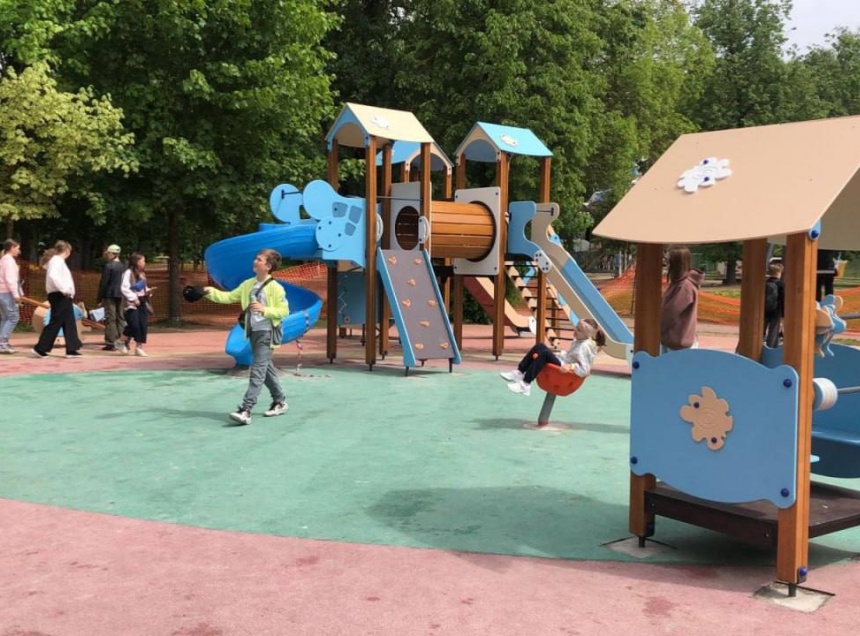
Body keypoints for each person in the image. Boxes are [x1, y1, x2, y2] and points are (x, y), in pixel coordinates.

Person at [204, 249, 290, 425]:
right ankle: (280, 401)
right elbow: (228, 297)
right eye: (256, 259)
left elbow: (284, 311)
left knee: (257, 369)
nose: (255, 261)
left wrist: (265, 309)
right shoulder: (248, 284)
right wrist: (208, 291)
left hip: (267, 333)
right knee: (265, 367)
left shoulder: (276, 288)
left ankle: (246, 409)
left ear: (268, 266)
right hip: (253, 332)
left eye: (259, 260)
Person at [501, 318, 606, 396]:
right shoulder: (579, 340)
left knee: (545, 354)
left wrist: (571, 367)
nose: (575, 330)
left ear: (587, 335)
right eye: (576, 327)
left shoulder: (584, 346)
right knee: (540, 346)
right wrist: (562, 355)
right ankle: (519, 372)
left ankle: (525, 384)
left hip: (565, 371)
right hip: (563, 362)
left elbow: (585, 369)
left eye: (579, 330)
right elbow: (572, 356)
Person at [32, 240, 82, 359]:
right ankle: (40, 348)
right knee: (56, 321)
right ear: (67, 250)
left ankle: (72, 348)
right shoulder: (57, 261)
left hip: (63, 295)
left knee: (69, 321)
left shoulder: (58, 261)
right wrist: (64, 289)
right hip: (60, 295)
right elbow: (54, 277)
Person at [660, 245, 704, 351]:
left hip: (678, 343)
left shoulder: (684, 286)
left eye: (668, 260)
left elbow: (670, 313)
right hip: (673, 340)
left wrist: (655, 328)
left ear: (676, 264)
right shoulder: (679, 283)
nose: (665, 264)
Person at [120, 253, 153, 357]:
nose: (144, 263)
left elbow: (143, 288)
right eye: (143, 260)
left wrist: (148, 291)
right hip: (131, 303)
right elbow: (124, 288)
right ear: (137, 262)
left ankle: (139, 347)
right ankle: (121, 341)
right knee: (134, 325)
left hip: (142, 301)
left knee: (142, 324)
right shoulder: (128, 273)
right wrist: (133, 298)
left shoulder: (142, 274)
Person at [96, 244, 126, 351]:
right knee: (121, 317)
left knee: (110, 318)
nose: (107, 255)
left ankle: (111, 342)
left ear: (111, 253)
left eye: (108, 253)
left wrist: (99, 298)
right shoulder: (124, 266)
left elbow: (103, 283)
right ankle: (123, 341)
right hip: (121, 294)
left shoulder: (108, 266)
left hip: (109, 295)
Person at [0, 238, 23, 354]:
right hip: (6, 293)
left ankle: (2, 342)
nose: (19, 251)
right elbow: (10, 280)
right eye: (17, 248)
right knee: (13, 317)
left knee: (6, 318)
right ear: (12, 248)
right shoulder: (9, 261)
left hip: (2, 292)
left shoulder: (4, 259)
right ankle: (3, 344)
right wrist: (16, 295)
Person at [763, 262, 785, 348]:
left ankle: (759, 345)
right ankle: (771, 347)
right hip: (776, 311)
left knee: (762, 329)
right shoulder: (781, 284)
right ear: (779, 273)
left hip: (764, 310)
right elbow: (783, 299)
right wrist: (783, 315)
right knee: (773, 331)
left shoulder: (765, 283)